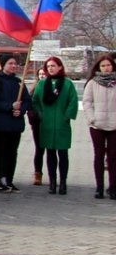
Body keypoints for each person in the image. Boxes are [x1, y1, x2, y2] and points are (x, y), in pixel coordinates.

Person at [32, 56, 79, 195]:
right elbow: (35, 101)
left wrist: (66, 116)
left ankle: (63, 182)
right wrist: (40, 114)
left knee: (63, 154)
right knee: (50, 153)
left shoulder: (67, 84)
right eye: (48, 66)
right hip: (46, 124)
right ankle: (52, 182)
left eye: (53, 66)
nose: (51, 68)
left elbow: (73, 101)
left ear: (60, 67)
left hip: (61, 124)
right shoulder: (41, 84)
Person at [0, 56, 30, 193]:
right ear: (3, 65)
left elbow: (27, 100)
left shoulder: (18, 83)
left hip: (15, 124)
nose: (13, 66)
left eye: (15, 63)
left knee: (12, 153)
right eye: (10, 63)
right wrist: (10, 106)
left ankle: (8, 179)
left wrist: (21, 110)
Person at [82, 53, 116, 199]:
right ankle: (99, 187)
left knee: (114, 157)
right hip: (97, 125)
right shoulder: (93, 82)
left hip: (114, 125)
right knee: (99, 155)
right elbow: (87, 102)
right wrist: (91, 118)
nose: (106, 68)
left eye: (108, 65)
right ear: (98, 67)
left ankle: (113, 187)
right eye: (103, 66)